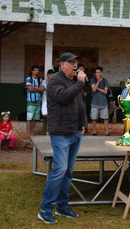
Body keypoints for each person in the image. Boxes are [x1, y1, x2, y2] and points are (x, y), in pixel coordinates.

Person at [38, 52, 88, 224]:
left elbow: (81, 104)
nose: (76, 66)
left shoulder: (74, 81)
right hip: (61, 133)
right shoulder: (55, 81)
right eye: (71, 63)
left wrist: (84, 124)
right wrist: (80, 83)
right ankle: (45, 208)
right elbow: (63, 98)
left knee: (68, 172)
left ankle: (62, 206)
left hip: (75, 132)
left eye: (76, 63)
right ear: (61, 64)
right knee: (59, 170)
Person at [26, 65, 44, 138]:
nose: (37, 71)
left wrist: (33, 89)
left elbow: (42, 89)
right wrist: (38, 89)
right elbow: (29, 89)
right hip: (30, 101)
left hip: (38, 101)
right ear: (32, 71)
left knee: (35, 118)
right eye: (36, 70)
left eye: (38, 70)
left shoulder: (41, 80)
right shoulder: (28, 79)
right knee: (29, 118)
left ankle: (32, 133)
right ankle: (28, 134)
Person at [90, 66, 110, 136]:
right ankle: (94, 132)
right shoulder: (93, 80)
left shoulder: (105, 81)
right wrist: (98, 81)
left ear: (102, 73)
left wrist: (97, 88)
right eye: (96, 72)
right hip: (95, 102)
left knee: (106, 118)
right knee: (94, 118)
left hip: (103, 103)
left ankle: (107, 132)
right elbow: (93, 90)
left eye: (98, 72)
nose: (97, 74)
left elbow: (105, 92)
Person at [42, 69, 55, 135]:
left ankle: (48, 131)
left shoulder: (55, 82)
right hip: (45, 101)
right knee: (45, 114)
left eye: (52, 74)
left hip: (53, 101)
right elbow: (41, 88)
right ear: (47, 75)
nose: (51, 76)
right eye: (50, 75)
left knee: (51, 116)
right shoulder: (44, 82)